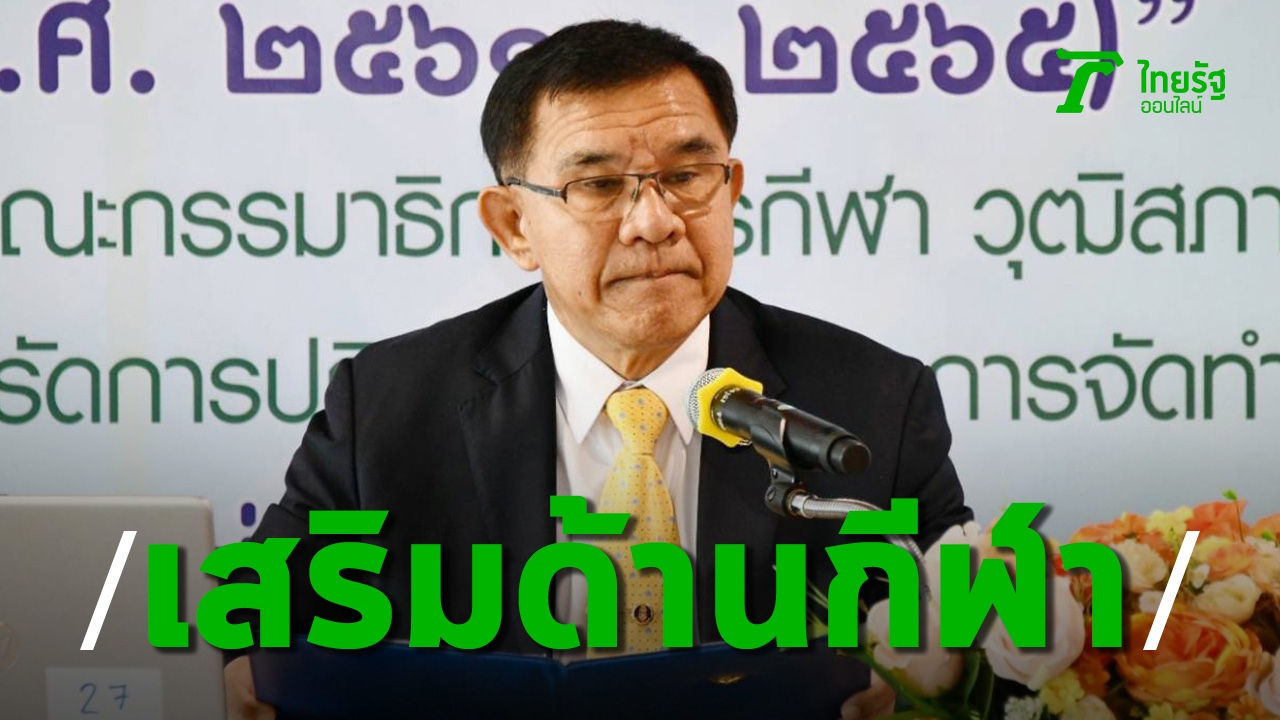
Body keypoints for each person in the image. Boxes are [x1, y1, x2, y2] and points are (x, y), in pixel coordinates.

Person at [223, 19, 972, 720]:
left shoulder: (872, 404)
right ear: (514, 225)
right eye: (600, 185)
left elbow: (973, 639)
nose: (655, 221)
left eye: (688, 174)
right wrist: (244, 676)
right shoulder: (388, 406)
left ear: (731, 189)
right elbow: (251, 623)